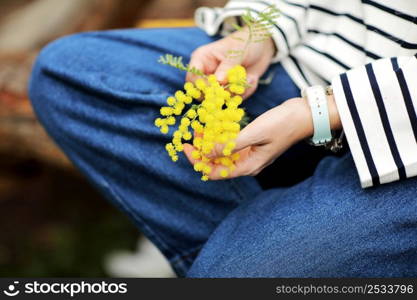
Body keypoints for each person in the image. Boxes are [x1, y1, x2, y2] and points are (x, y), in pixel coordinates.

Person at [29, 0, 417, 277]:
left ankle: (235, 256)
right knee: (69, 75)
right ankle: (241, 248)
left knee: (232, 274)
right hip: (317, 61)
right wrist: (262, 32)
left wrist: (323, 113)